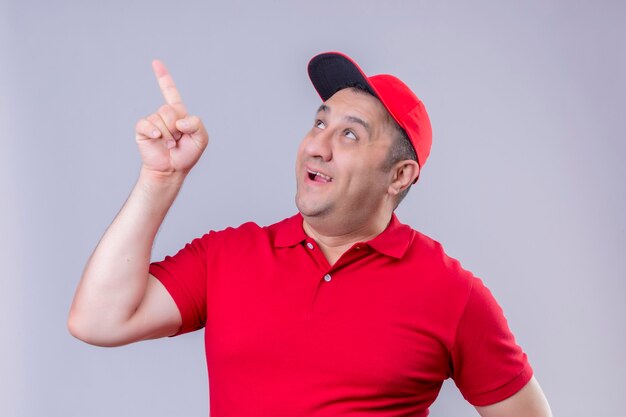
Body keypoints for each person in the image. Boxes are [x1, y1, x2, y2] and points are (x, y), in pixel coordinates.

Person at [68, 52, 552, 417]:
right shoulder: (229, 254)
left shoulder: (453, 295)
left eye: (349, 135)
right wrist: (161, 179)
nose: (317, 146)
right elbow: (98, 321)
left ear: (399, 176)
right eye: (319, 122)